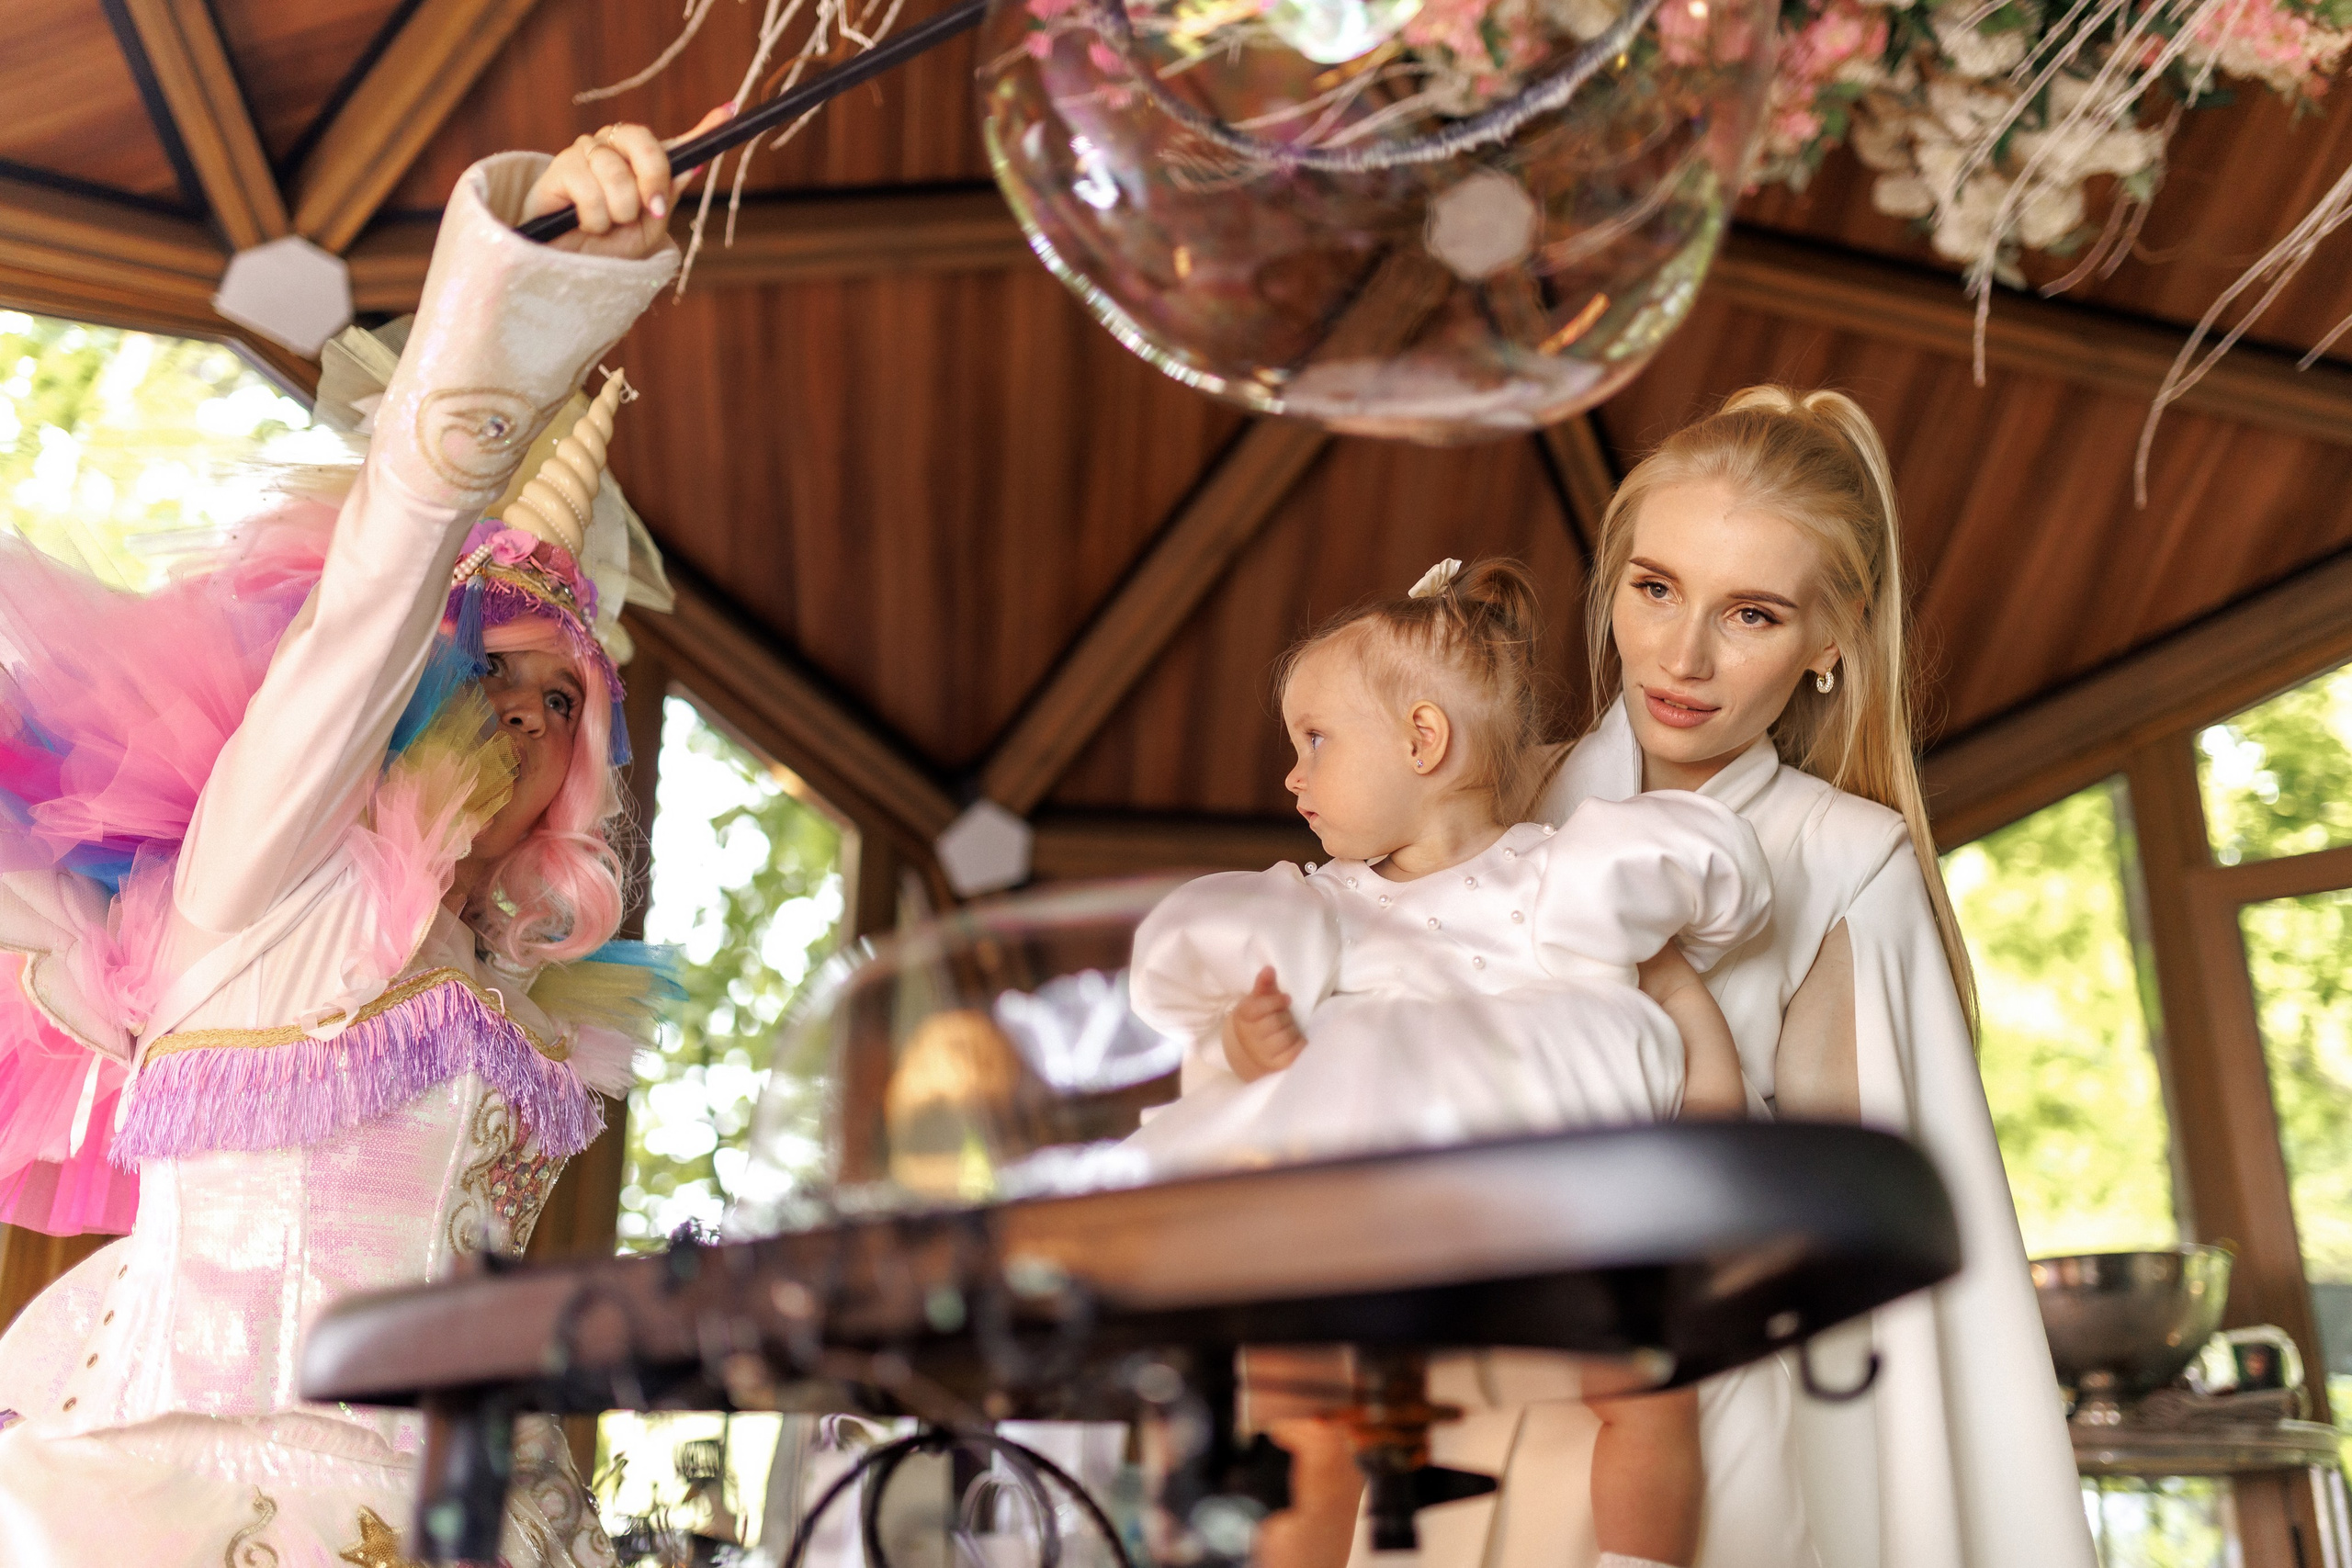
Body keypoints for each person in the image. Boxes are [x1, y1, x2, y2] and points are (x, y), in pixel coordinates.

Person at [0, 113, 723, 1565]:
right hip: (194, 1497)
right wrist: (537, 290)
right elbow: (375, 589)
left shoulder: (515, 999)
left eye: (564, 693)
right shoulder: (268, 873)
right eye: (488, 662)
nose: (524, 710)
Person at [1506, 385, 2094, 1568]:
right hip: (1466, 1415)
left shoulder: (1844, 862)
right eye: (1654, 588)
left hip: (1713, 1438)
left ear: (1831, 640)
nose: (1682, 656)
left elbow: (1871, 1286)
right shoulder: (1492, 803)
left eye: (1752, 615)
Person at [1124, 557, 1781, 1568]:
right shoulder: (1318, 913)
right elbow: (1253, 1074)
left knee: (1649, 1400)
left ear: (1422, 739)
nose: (1292, 778)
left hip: (1538, 1217)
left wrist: (1708, 1165)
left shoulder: (1564, 880)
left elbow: (1685, 1021)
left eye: (1313, 742)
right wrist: (1244, 1046)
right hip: (1361, 1229)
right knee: (1298, 1411)